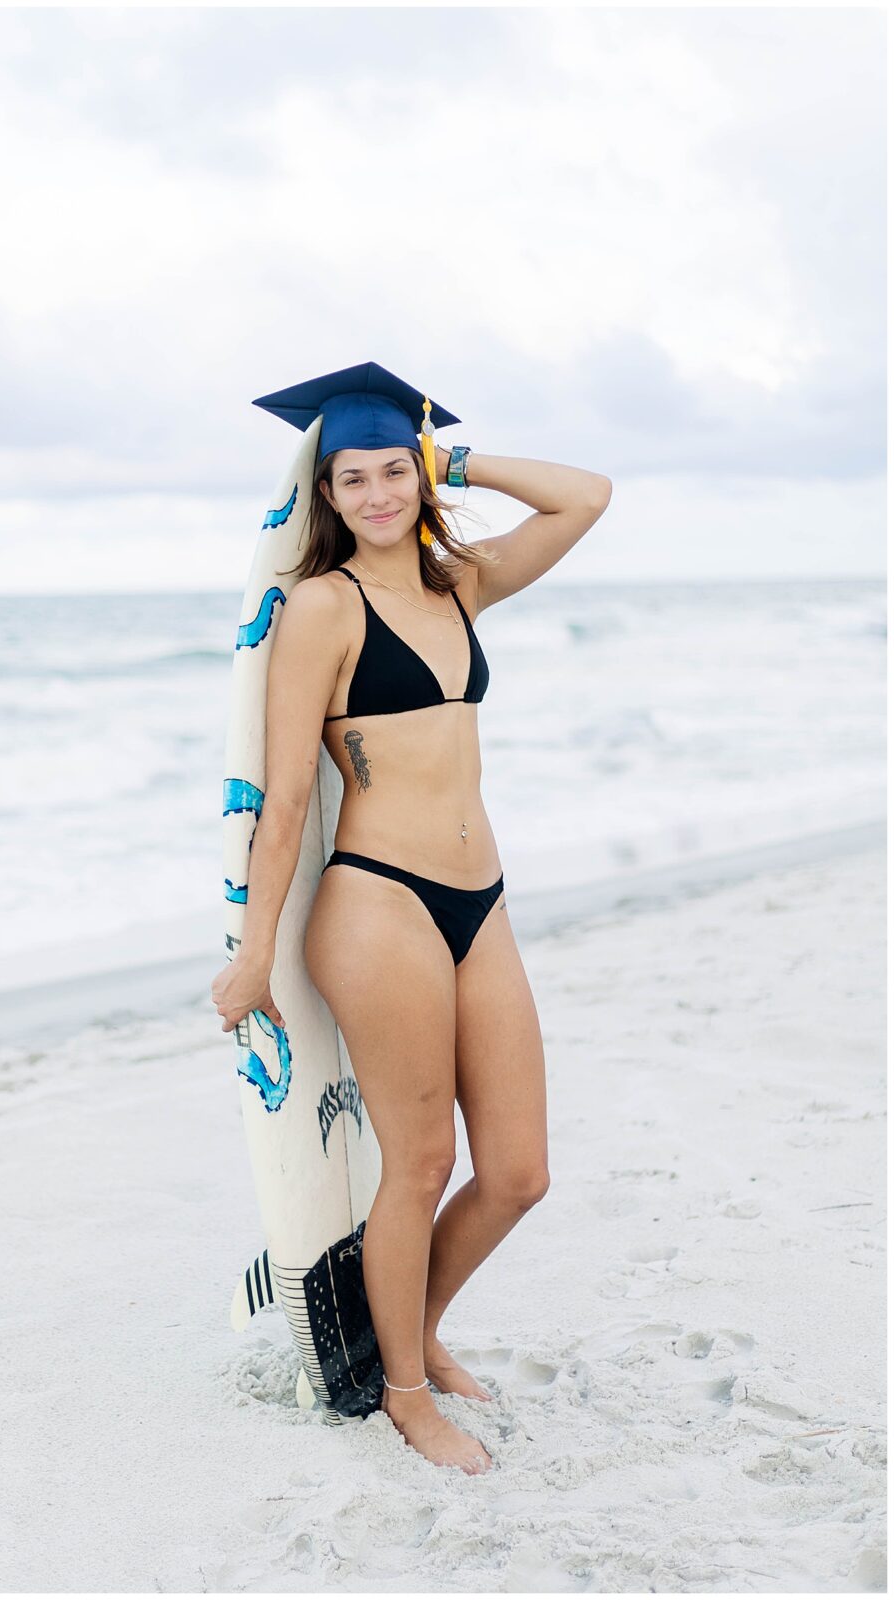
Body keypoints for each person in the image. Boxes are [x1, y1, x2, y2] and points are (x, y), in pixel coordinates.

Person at [212, 361, 612, 1475]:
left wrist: (459, 457)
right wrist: (254, 950)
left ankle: (412, 1324)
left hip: (480, 902)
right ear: (328, 495)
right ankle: (403, 1385)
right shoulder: (323, 608)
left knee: (520, 1169)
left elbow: (588, 496)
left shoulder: (458, 584)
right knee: (421, 1159)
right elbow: (287, 793)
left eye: (397, 469)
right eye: (356, 476)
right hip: (378, 902)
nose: (381, 492)